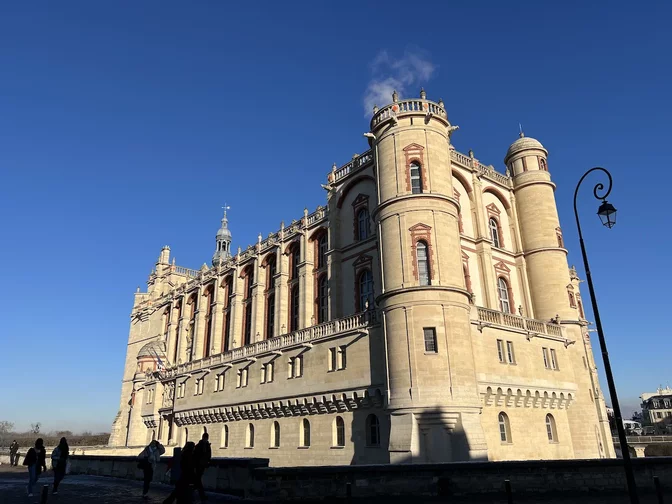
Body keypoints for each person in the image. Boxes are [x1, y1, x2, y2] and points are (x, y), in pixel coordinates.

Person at [193, 433, 212, 501]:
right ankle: (202, 495)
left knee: (197, 480)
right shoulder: (202, 445)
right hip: (199, 465)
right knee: (198, 480)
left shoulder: (204, 445)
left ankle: (192, 492)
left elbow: (209, 454)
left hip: (201, 465)